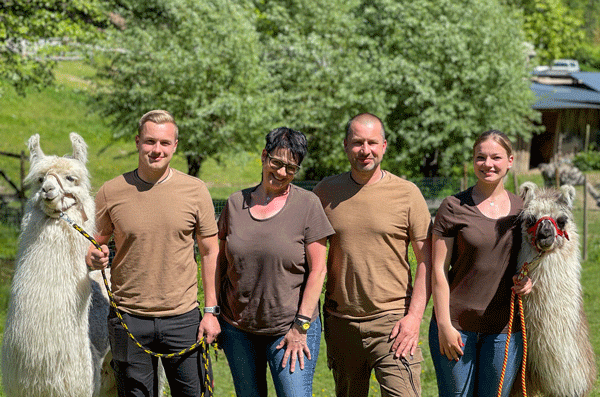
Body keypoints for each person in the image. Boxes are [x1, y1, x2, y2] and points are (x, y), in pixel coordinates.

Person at [86, 110, 220, 397]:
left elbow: (210, 251)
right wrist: (93, 256)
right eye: (149, 141)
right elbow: (94, 244)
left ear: (174, 146)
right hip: (128, 318)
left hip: (183, 318)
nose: (156, 150)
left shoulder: (195, 191)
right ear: (137, 142)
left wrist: (210, 312)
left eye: (164, 143)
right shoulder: (111, 192)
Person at [312, 113, 431, 397]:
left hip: (393, 322)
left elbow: (428, 261)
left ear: (384, 146)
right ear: (345, 146)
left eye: (372, 143)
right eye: (357, 143)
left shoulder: (407, 194)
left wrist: (414, 318)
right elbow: (308, 257)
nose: (365, 150)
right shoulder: (325, 193)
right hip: (342, 323)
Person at [216, 127, 334, 397]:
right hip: (238, 330)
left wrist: (300, 327)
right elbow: (220, 264)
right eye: (277, 163)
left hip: (289, 329)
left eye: (291, 168)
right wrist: (214, 314)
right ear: (264, 156)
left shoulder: (308, 205)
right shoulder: (235, 204)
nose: (281, 172)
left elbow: (318, 271)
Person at [429, 130, 533, 397]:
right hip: (457, 327)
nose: (488, 164)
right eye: (481, 157)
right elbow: (439, 270)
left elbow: (531, 262)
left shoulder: (523, 210)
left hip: (504, 331)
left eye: (496, 157)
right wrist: (444, 326)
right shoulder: (453, 207)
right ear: (473, 161)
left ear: (510, 161)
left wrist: (530, 281)